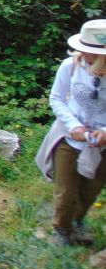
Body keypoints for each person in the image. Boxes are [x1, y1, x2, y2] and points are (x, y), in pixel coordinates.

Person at [36, 20, 106, 247]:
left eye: (92, 52)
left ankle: (78, 221)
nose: (85, 54)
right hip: (68, 136)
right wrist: (73, 126)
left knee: (91, 189)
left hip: (101, 143)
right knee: (65, 189)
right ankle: (61, 229)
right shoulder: (70, 66)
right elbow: (56, 98)